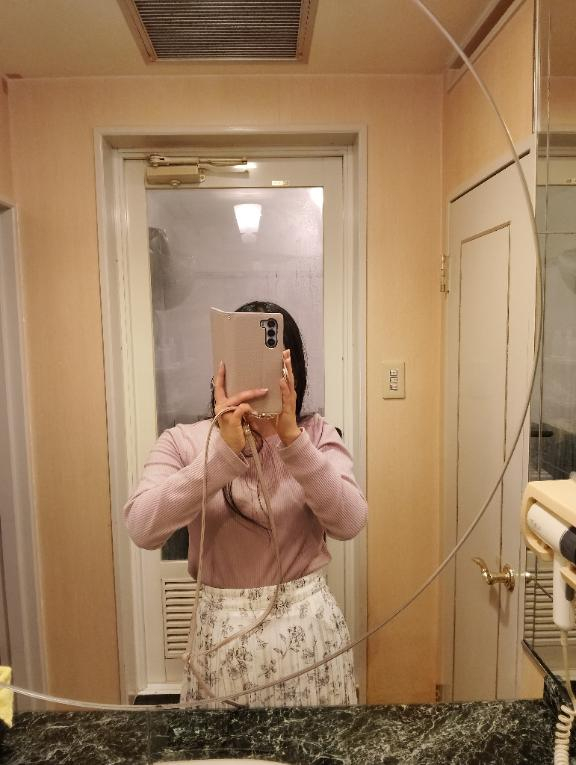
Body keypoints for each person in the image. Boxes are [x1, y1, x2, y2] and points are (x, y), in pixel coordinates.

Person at [124, 301, 368, 707]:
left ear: (293, 372)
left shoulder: (315, 435)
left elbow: (350, 522)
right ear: (223, 367)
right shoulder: (185, 441)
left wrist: (293, 441)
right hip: (221, 640)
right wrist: (222, 456)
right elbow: (142, 527)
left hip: (310, 636)